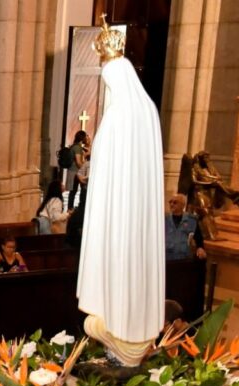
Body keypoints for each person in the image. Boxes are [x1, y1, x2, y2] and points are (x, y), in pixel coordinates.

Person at [77, 25, 166, 364]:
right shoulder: (148, 112)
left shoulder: (116, 118)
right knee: (134, 268)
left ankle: (122, 339)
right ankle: (130, 336)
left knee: (115, 270)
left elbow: (105, 171)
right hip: (139, 213)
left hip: (118, 214)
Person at [165, 193, 206, 260]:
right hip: (167, 258)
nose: (171, 204)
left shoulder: (192, 220)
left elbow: (199, 238)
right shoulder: (164, 220)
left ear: (183, 205)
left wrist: (200, 248)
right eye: (170, 202)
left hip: (183, 258)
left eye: (175, 202)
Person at [67, 130, 90, 209]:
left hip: (74, 171)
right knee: (74, 191)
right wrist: (84, 170)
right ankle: (71, 209)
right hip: (75, 172)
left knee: (74, 191)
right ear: (82, 138)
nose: (86, 138)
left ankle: (74, 208)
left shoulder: (76, 146)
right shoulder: (77, 147)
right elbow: (78, 162)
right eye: (85, 136)